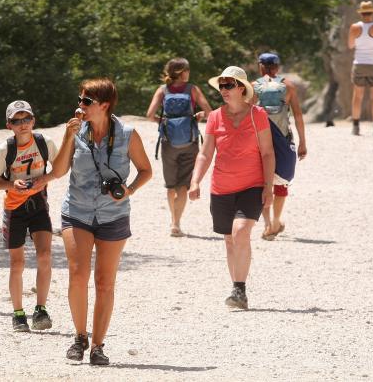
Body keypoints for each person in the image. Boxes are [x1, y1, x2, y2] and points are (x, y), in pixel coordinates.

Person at [50, 78, 152, 366]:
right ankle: (79, 336)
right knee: (78, 274)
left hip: (113, 215)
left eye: (87, 101)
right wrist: (68, 136)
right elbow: (58, 171)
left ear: (104, 105)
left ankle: (97, 346)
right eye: (80, 100)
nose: (80, 106)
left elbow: (146, 170)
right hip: (77, 211)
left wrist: (130, 190)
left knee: (105, 282)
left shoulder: (127, 134)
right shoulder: (76, 132)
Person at [188, 66, 274, 310]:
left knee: (240, 232)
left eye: (228, 85)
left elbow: (267, 153)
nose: (223, 89)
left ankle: (239, 288)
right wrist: (195, 181)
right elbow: (205, 154)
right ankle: (237, 290)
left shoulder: (258, 115)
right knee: (229, 240)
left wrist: (268, 187)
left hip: (252, 185)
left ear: (241, 88)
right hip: (221, 188)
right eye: (221, 85)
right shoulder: (215, 116)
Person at [0, 101, 59, 332]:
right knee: (17, 263)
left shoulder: (45, 143)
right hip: (14, 209)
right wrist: (12, 184)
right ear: (9, 125)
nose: (23, 124)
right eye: (17, 121)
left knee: (45, 256)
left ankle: (41, 309)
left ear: (33, 120)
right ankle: (18, 313)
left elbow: (60, 168)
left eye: (26, 119)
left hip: (39, 205)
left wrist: (43, 180)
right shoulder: (5, 149)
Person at [145, 57, 212, 237]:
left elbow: (150, 115)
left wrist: (163, 122)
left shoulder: (163, 90)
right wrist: (197, 116)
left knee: (170, 185)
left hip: (168, 142)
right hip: (189, 142)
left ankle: (172, 220)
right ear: (183, 72)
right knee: (183, 184)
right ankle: (176, 223)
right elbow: (209, 112)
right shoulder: (192, 89)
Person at [252, 53, 307, 241]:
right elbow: (298, 116)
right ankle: (276, 221)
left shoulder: (253, 86)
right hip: (283, 138)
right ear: (277, 67)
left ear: (260, 66)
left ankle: (267, 223)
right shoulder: (288, 86)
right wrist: (302, 142)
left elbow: (245, 115)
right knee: (282, 181)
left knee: (263, 180)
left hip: (260, 139)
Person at [348, 1, 373, 137]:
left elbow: (350, 45)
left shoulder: (354, 27)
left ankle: (355, 127)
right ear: (372, 13)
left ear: (361, 13)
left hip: (359, 63)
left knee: (357, 96)